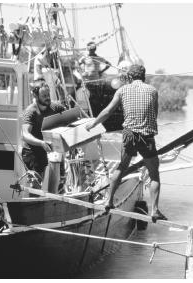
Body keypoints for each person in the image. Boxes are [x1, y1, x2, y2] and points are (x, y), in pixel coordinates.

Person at [85, 64, 167, 221]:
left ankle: (108, 202)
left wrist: (93, 124)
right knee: (154, 174)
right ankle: (155, 210)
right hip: (146, 136)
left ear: (130, 77)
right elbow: (154, 114)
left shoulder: (122, 90)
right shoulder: (152, 91)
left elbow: (108, 111)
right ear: (144, 76)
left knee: (122, 167)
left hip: (128, 135)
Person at [21, 80, 65, 177]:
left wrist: (60, 90)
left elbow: (67, 115)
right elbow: (25, 135)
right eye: (44, 96)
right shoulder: (30, 112)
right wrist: (41, 143)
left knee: (57, 183)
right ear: (36, 96)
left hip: (49, 151)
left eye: (48, 94)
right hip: (32, 153)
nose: (48, 98)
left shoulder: (55, 107)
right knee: (38, 186)